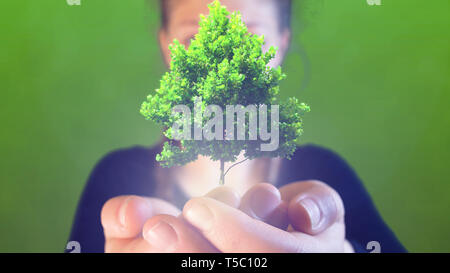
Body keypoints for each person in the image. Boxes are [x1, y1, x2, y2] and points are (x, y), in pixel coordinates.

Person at [68, 0, 406, 253]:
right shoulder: (115, 178)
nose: (221, 65)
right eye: (193, 41)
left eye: (250, 40)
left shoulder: (324, 174)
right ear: (166, 47)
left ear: (282, 45)